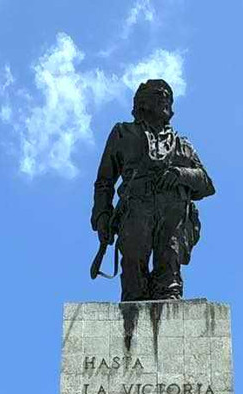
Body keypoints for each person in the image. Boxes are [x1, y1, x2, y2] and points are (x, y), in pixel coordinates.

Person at [91, 77, 215, 302]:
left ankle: (170, 303)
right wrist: (102, 215)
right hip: (136, 209)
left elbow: (206, 183)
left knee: (169, 273)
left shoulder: (182, 144)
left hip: (172, 213)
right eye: (159, 93)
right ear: (143, 102)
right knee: (132, 272)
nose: (166, 97)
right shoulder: (123, 133)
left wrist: (180, 174)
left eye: (168, 95)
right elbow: (104, 181)